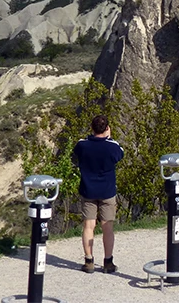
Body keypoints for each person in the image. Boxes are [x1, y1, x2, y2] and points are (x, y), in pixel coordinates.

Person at [72, 115, 124, 274]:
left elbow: (76, 155)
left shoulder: (82, 145)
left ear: (92, 128)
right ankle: (108, 262)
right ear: (107, 128)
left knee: (89, 225)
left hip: (88, 190)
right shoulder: (112, 146)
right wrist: (108, 138)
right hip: (107, 191)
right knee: (107, 226)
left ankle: (89, 261)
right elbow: (119, 156)